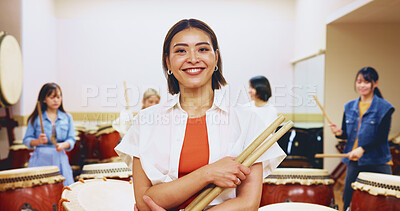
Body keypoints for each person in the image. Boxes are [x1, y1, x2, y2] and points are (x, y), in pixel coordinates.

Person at [115, 19, 286, 211]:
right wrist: (207, 173)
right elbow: (145, 201)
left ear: (216, 58)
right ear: (167, 61)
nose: (193, 58)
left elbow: (248, 203)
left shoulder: (248, 121)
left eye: (202, 49)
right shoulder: (145, 121)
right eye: (181, 51)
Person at [329, 67, 394, 211]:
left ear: (375, 83)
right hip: (355, 161)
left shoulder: (385, 108)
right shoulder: (349, 107)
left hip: (379, 161)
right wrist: (338, 133)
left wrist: (363, 149)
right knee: (348, 200)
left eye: (366, 82)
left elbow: (382, 137)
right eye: (359, 82)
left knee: (386, 200)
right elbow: (346, 134)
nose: (362, 85)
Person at [23, 83, 76, 186]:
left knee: (64, 189)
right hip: (40, 159)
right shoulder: (35, 118)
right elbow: (26, 140)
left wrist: (63, 145)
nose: (56, 100)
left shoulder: (67, 117)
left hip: (60, 158)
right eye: (52, 97)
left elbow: (71, 139)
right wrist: (38, 141)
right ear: (44, 99)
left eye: (58, 97)